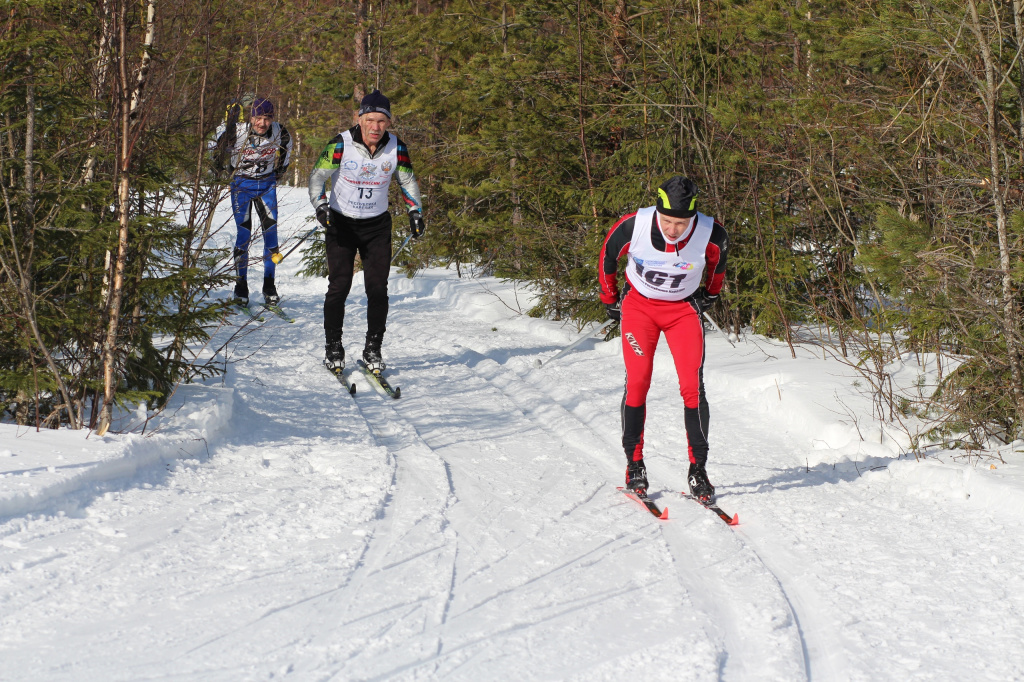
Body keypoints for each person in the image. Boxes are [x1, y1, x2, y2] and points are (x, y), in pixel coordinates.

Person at [598, 176, 729, 504]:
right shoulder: (634, 226)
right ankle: (635, 464)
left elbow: (718, 265)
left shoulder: (711, 233)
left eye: (681, 223)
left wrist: (710, 295)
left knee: (692, 387)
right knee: (639, 381)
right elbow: (607, 258)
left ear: (693, 217)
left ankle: (698, 469)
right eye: (667, 221)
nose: (673, 229)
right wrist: (609, 297)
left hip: (683, 312)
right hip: (639, 309)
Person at [307, 90, 425, 373]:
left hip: (377, 226)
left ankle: (373, 348)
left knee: (377, 289)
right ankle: (333, 347)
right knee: (339, 287)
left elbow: (407, 181)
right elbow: (316, 178)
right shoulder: (340, 144)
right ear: (359, 118)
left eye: (382, 121)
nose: (375, 127)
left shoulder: (397, 148)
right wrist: (321, 207)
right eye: (370, 120)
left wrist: (415, 211)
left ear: (388, 122)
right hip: (341, 223)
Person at [209, 96, 293, 306]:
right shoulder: (236, 131)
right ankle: (241, 286)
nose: (262, 123)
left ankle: (269, 284)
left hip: (266, 187)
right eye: (258, 117)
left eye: (267, 118)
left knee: (271, 235)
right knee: (243, 235)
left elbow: (286, 152)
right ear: (251, 116)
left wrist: (279, 171)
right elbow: (215, 150)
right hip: (241, 187)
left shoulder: (279, 132)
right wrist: (223, 165)